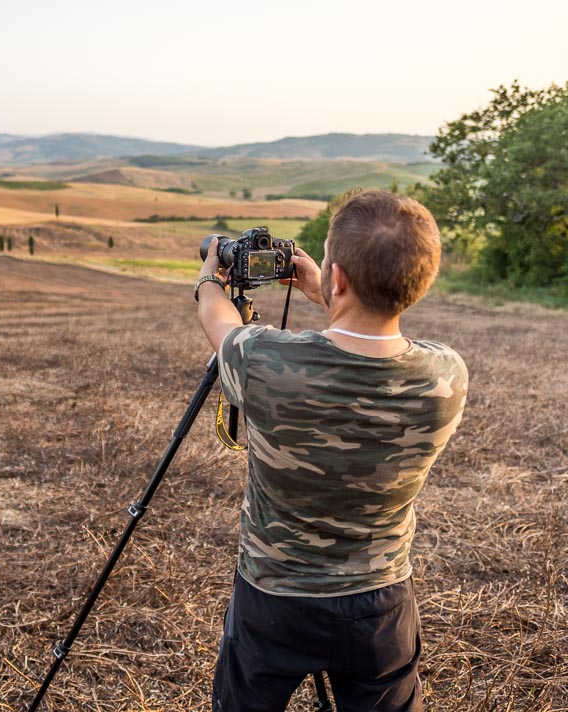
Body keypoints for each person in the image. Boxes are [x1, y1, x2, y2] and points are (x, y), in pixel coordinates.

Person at [194, 189, 468, 712]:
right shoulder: (446, 376)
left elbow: (219, 319)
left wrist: (212, 273)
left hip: (273, 596)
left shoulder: (263, 361)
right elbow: (375, 334)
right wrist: (332, 293)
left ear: (337, 276)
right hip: (381, 604)